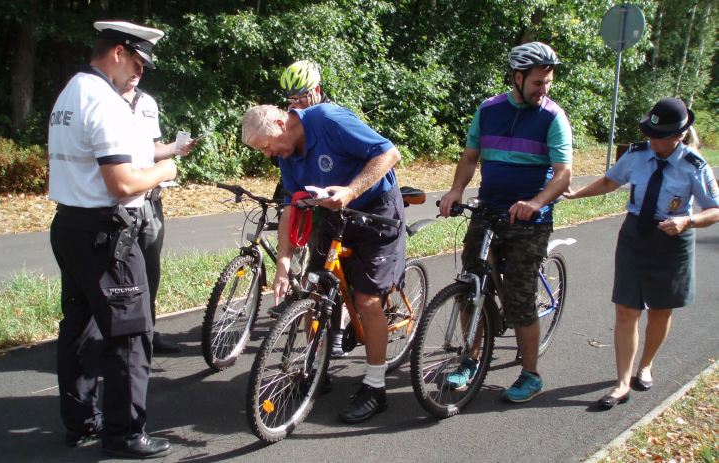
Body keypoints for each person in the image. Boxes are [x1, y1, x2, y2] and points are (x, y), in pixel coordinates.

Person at [47, 21, 175, 458]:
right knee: (129, 333)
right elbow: (121, 184)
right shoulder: (104, 102)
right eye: (138, 62)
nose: (140, 73)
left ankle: (80, 422)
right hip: (107, 233)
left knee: (80, 329)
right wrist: (167, 170)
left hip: (70, 226)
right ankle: (124, 435)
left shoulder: (71, 91)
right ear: (118, 52)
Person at [241, 103, 406, 423]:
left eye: (265, 146)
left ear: (280, 123)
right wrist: (283, 265)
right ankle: (315, 368)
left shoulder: (327, 120)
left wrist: (351, 189)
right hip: (332, 214)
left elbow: (389, 154)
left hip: (375, 211)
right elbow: (290, 207)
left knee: (367, 300)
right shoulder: (287, 155)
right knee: (314, 291)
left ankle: (375, 387)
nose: (266, 154)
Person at [438, 41, 573, 403]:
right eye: (537, 83)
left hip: (529, 221)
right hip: (488, 211)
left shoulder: (553, 117)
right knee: (471, 286)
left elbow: (563, 175)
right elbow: (470, 157)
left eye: (547, 82)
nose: (543, 90)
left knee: (519, 298)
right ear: (517, 77)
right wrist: (455, 191)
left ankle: (530, 375)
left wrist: (535, 202)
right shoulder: (489, 109)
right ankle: (471, 358)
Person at [564, 97, 719, 410]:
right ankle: (622, 383)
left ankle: (645, 364)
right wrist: (577, 193)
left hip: (673, 240)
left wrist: (687, 220)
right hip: (635, 235)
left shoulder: (694, 166)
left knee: (661, 310)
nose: (652, 140)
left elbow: (714, 210)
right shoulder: (637, 155)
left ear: (679, 136)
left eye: (658, 136)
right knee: (626, 309)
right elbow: (610, 181)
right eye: (650, 132)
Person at [269, 59, 348, 358]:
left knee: (337, 269)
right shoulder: (289, 119)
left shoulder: (332, 116)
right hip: (304, 190)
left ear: (317, 90)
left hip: (335, 193)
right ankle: (313, 343)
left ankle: (338, 328)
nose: (296, 104)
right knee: (312, 271)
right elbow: (284, 156)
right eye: (291, 99)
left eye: (302, 96)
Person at [118, 69, 198, 355]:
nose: (136, 73)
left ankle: (147, 334)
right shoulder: (104, 102)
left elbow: (152, 149)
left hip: (150, 200)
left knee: (149, 271)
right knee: (119, 273)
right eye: (131, 66)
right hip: (120, 202)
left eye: (141, 67)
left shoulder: (148, 103)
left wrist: (176, 149)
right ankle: (116, 339)